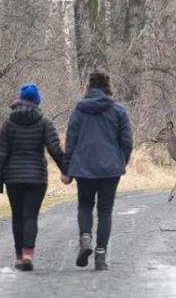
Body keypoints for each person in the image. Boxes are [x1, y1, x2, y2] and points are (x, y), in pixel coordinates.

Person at [61, 71, 133, 270]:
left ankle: (85, 239)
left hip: (83, 168)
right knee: (105, 211)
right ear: (107, 86)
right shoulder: (118, 110)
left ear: (89, 87)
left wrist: (66, 169)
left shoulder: (79, 109)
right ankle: (100, 257)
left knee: (84, 206)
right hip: (110, 169)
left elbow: (71, 141)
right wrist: (121, 162)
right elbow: (127, 142)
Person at [0, 82, 65, 271]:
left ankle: (18, 257)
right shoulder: (44, 121)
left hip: (13, 178)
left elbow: (1, 154)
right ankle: (27, 254)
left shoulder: (8, 123)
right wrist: (67, 170)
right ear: (37, 101)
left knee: (17, 216)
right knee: (30, 215)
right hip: (37, 178)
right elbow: (55, 149)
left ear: (21, 99)